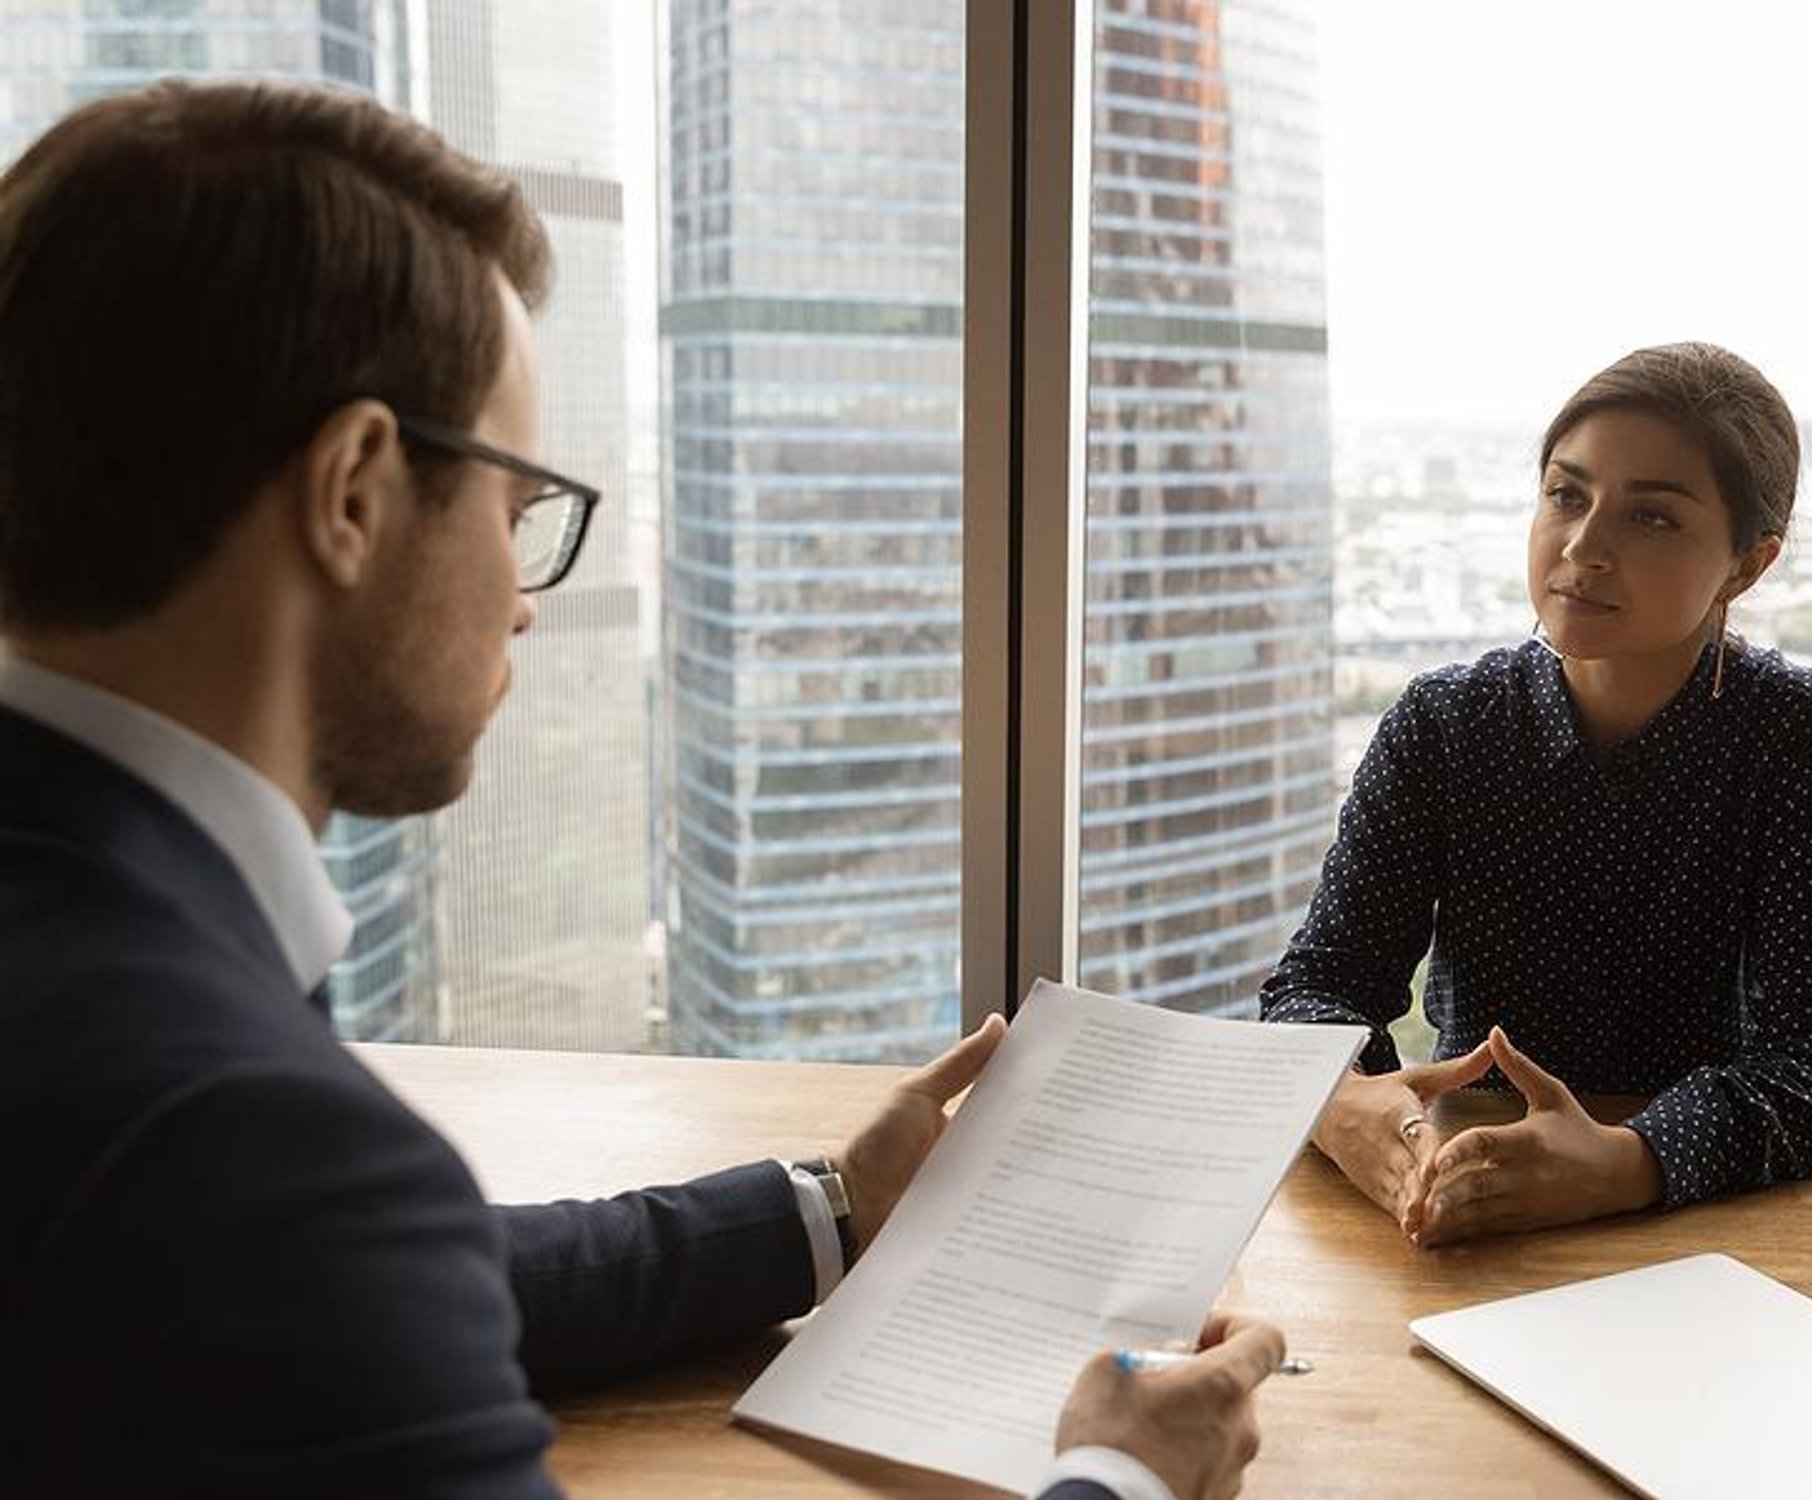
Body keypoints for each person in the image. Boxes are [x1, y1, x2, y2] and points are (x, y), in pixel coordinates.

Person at [0, 81, 1283, 1499]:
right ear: (355, 490)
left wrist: (835, 1211)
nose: (531, 602)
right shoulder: (234, 1132)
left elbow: (333, 1281)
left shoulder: (113, 1004)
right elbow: (304, 1245)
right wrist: (1118, 1481)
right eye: (521, 506)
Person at [1261, 342, 1812, 1249]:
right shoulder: (1448, 721)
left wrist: (1632, 1160)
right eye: (1567, 495)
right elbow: (1319, 986)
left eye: (1653, 518)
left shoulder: (1795, 735)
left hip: (1705, 1226)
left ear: (1747, 565)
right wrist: (1344, 1098)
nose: (1583, 547)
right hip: (1463, 1197)